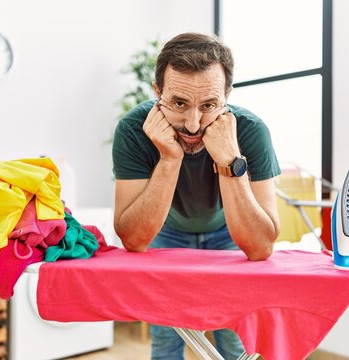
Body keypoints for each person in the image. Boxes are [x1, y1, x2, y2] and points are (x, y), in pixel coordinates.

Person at [112, 32, 281, 360]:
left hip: (228, 232)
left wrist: (229, 161)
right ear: (157, 91)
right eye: (178, 104)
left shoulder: (251, 130)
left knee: (235, 339)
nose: (192, 125)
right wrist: (169, 158)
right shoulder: (133, 130)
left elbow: (261, 247)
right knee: (166, 336)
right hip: (167, 231)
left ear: (227, 96)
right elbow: (134, 239)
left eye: (208, 106)